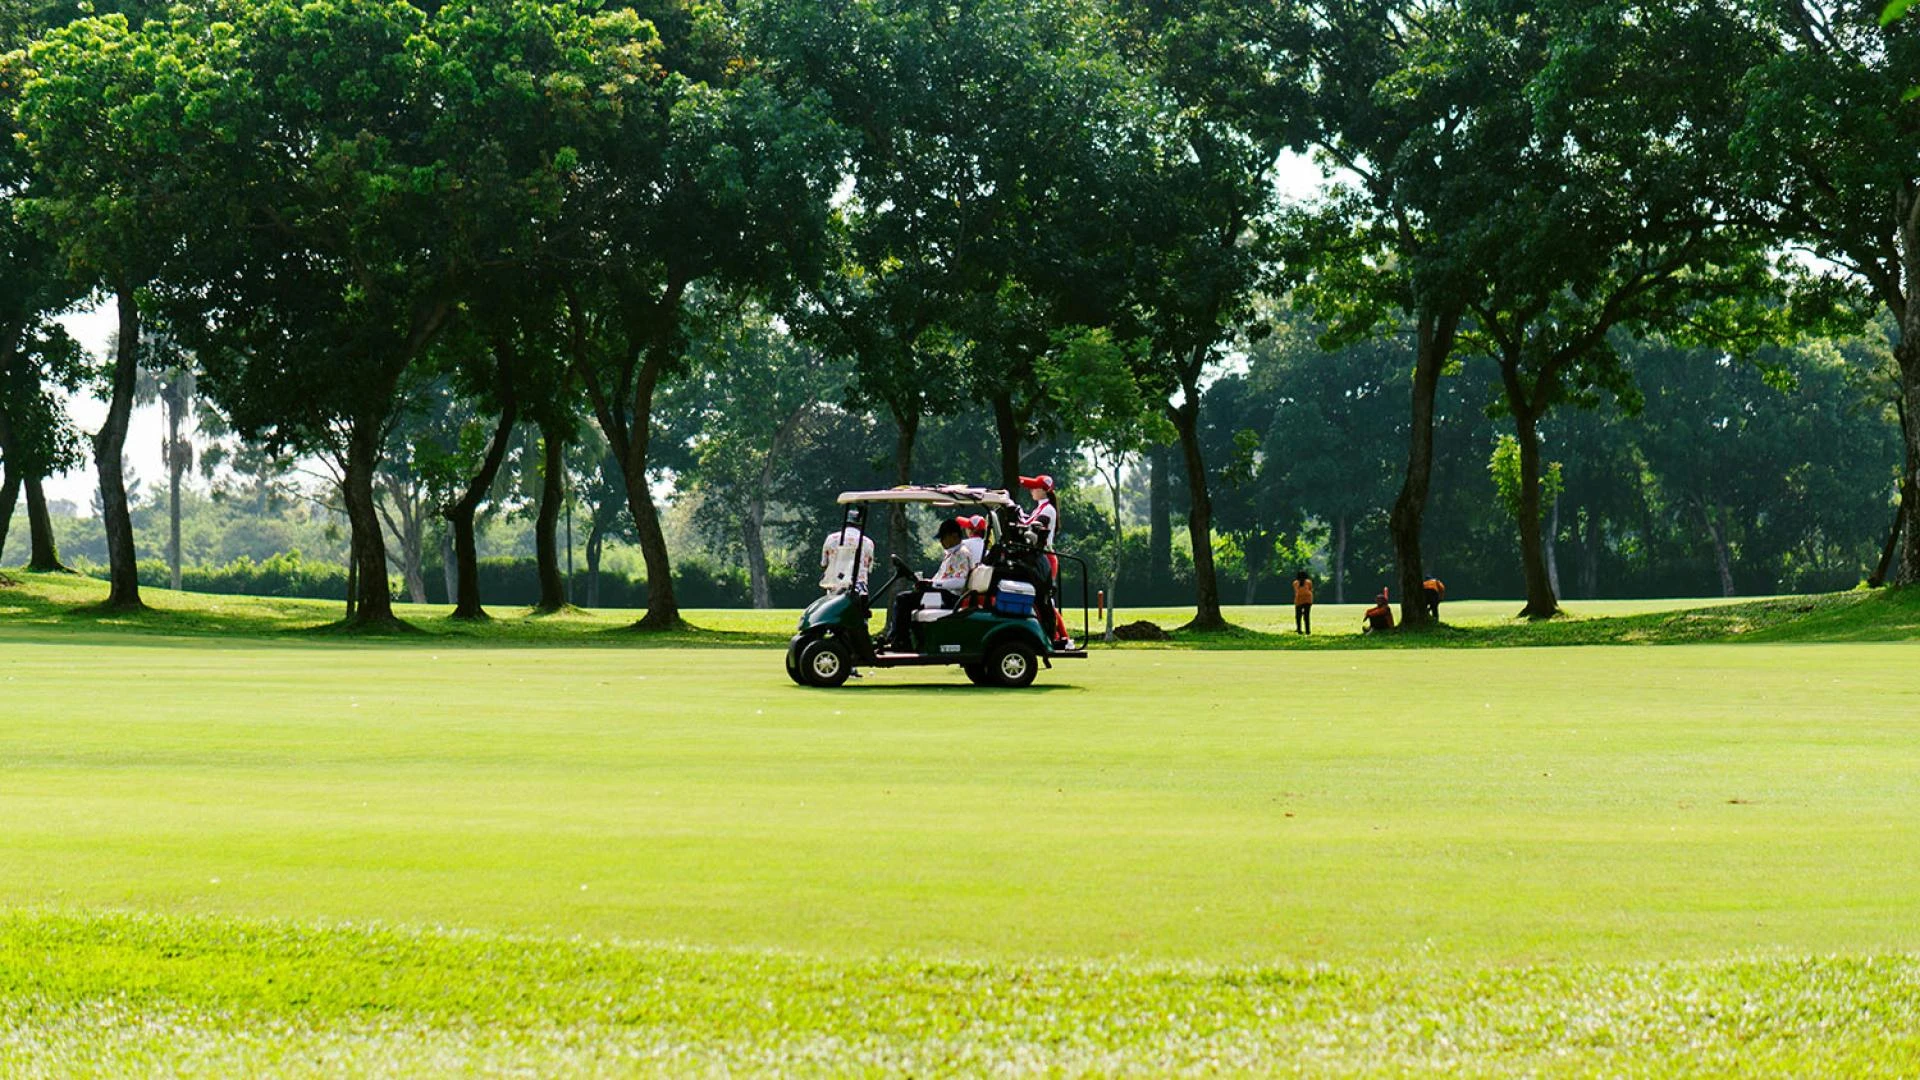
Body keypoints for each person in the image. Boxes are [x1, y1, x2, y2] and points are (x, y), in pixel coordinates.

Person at [879, 517, 977, 651]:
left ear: (954, 536)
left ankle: (900, 641)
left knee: (903, 600)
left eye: (943, 538)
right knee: (907, 598)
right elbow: (941, 579)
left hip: (950, 599)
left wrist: (933, 585)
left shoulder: (961, 554)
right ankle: (901, 638)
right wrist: (927, 584)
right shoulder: (951, 554)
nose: (941, 542)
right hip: (943, 595)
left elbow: (960, 582)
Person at [1017, 475, 1071, 647]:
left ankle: (1061, 637)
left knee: (1045, 601)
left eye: (1034, 487)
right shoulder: (1040, 508)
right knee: (1042, 601)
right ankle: (1059, 636)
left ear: (1043, 490)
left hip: (1045, 558)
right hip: (1039, 558)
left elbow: (1033, 530)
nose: (1031, 490)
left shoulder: (1047, 510)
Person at [819, 506, 875, 593]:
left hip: (834, 585)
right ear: (860, 524)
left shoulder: (831, 538)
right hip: (858, 588)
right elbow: (868, 569)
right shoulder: (868, 542)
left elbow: (824, 564)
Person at [1292, 570, 1314, 634]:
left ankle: (1299, 629)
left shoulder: (1295, 583)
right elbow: (1310, 589)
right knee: (1306, 616)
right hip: (1308, 599)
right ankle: (1307, 630)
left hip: (1299, 599)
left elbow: (1296, 591)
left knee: (1298, 616)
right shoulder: (1309, 582)